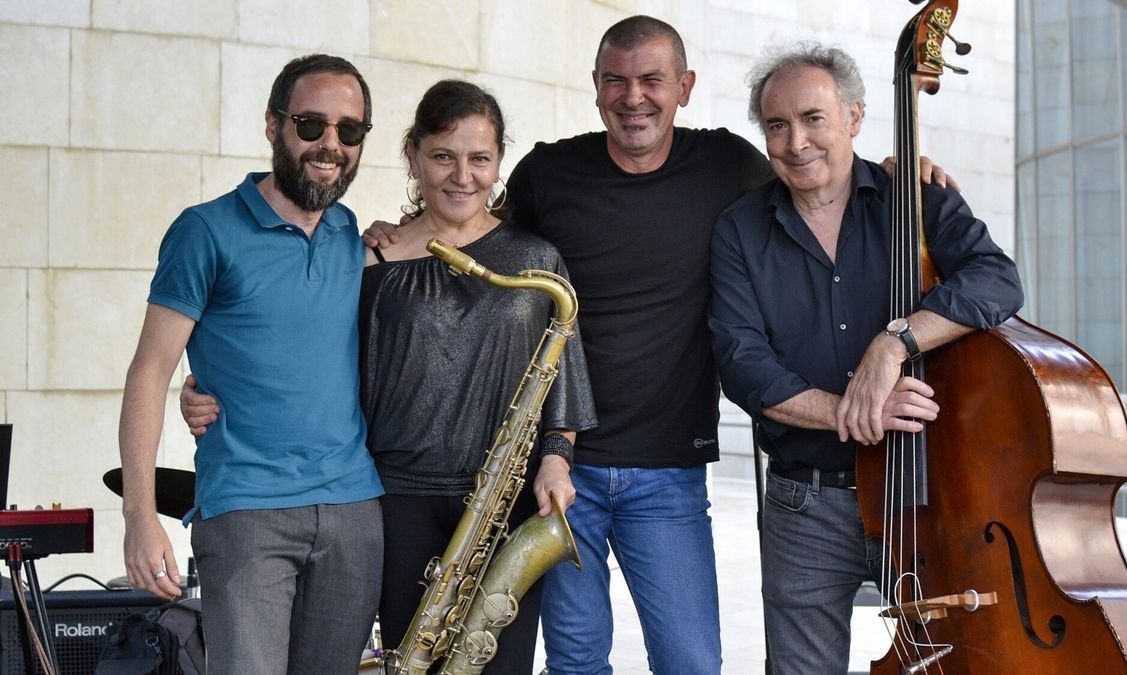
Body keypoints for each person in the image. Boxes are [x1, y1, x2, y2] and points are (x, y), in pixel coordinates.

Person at [362, 16, 955, 675]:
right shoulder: (548, 172)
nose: (633, 96)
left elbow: (814, 170)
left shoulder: (731, 164)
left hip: (669, 470)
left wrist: (896, 174)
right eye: (616, 80)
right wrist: (407, 230)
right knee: (576, 661)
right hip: (559, 470)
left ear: (685, 87)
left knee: (691, 661)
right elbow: (480, 232)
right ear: (595, 89)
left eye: (652, 80)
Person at [183, 79, 597, 673]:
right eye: (443, 156)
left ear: (500, 161)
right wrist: (201, 389)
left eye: (480, 159)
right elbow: (306, 353)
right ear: (413, 155)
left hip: (505, 506)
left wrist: (556, 460)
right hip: (394, 503)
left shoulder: (538, 262)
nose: (462, 176)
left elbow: (563, 381)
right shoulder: (369, 259)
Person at [708, 42, 1024, 674]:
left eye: (813, 118)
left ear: (854, 117)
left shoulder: (921, 198)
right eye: (776, 124)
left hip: (933, 497)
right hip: (807, 505)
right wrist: (854, 411)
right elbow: (743, 362)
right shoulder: (739, 229)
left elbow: (998, 281)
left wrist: (895, 341)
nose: (796, 141)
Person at [118, 54, 385, 673]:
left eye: (350, 131)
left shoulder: (355, 236)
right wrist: (138, 517)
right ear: (273, 125)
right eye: (311, 124)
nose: (330, 144)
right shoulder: (205, 231)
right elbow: (149, 372)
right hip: (247, 512)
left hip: (353, 511)